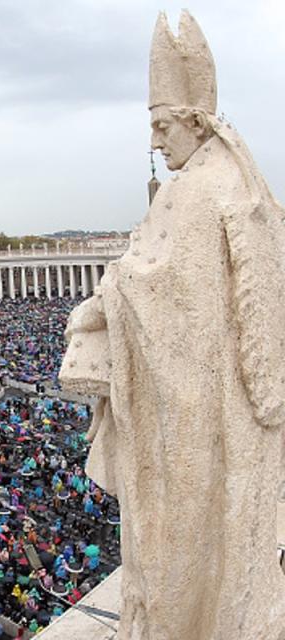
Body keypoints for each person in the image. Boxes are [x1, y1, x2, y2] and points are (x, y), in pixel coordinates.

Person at [60, 11, 285, 639]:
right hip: (225, 418)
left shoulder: (196, 194)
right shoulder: (238, 184)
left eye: (161, 126)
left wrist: (100, 302)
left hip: (195, 424)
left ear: (195, 120)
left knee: (180, 547)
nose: (157, 142)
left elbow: (150, 287)